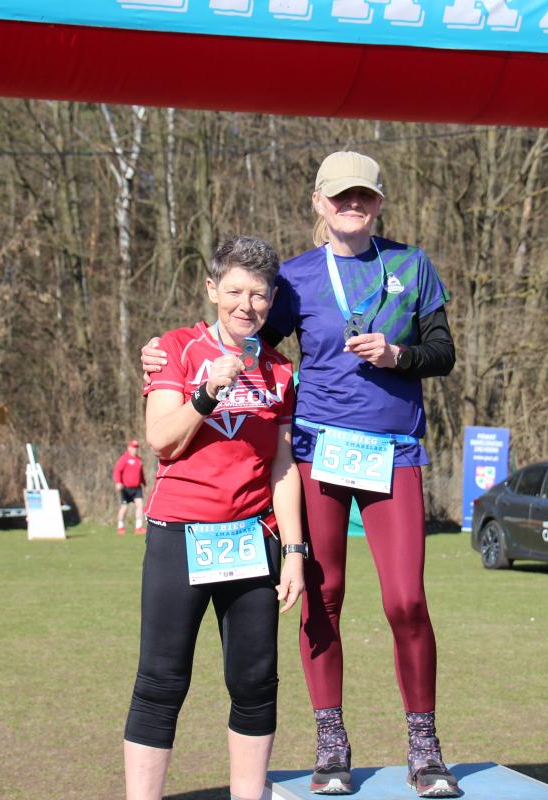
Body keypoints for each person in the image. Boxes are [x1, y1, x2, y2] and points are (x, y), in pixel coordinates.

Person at [143, 152, 458, 797]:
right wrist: (165, 352)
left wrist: (399, 355)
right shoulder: (292, 278)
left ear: (379, 203)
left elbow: (443, 353)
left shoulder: (412, 265)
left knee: (406, 600)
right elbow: (247, 337)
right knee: (323, 595)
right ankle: (331, 742)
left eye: (364, 196)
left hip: (393, 450)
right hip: (318, 450)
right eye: (340, 196)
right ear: (319, 202)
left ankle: (424, 747)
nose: (353, 205)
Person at [124, 235, 307, 800]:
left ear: (271, 299)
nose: (245, 305)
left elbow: (282, 467)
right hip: (179, 535)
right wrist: (206, 394)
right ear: (212, 290)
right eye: (234, 291)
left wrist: (295, 551)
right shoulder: (176, 348)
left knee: (255, 682)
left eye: (258, 294)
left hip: (252, 539)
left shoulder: (280, 371)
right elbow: (162, 440)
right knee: (161, 681)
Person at [113, 439, 147, 534]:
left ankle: (138, 527)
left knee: (140, 505)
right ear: (129, 447)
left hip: (137, 488)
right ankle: (120, 527)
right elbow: (117, 471)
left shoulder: (139, 460)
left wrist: (144, 483)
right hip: (126, 488)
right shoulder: (124, 459)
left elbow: (141, 474)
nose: (135, 449)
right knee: (124, 507)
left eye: (136, 447)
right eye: (133, 447)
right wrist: (118, 482)